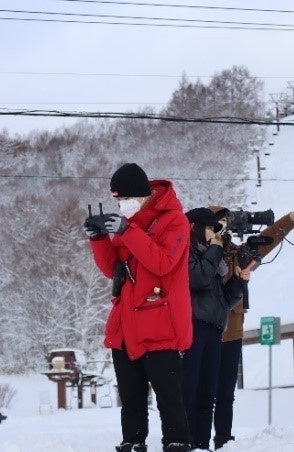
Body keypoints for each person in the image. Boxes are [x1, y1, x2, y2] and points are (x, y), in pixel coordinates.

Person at [83, 163, 193, 452]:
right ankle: (132, 443)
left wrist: (127, 231)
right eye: (117, 201)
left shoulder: (175, 221)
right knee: (131, 398)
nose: (121, 205)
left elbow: (163, 263)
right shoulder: (127, 224)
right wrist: (98, 239)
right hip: (127, 323)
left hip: (160, 326)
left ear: (143, 195)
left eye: (125, 199)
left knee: (168, 397)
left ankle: (177, 443)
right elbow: (112, 269)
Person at [210, 203, 294, 450]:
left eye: (227, 222)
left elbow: (266, 242)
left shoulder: (238, 253)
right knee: (202, 392)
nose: (226, 228)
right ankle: (196, 438)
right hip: (204, 331)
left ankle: (223, 438)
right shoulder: (197, 253)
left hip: (232, 331)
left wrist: (290, 220)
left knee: (225, 393)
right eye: (220, 222)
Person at [181, 207, 243, 452]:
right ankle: (183, 442)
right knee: (190, 390)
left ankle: (201, 444)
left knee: (207, 392)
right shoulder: (186, 252)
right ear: (195, 227)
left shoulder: (211, 258)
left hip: (214, 328)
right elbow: (198, 279)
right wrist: (217, 250)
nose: (214, 234)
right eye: (210, 228)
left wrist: (239, 282)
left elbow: (225, 301)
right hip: (193, 326)